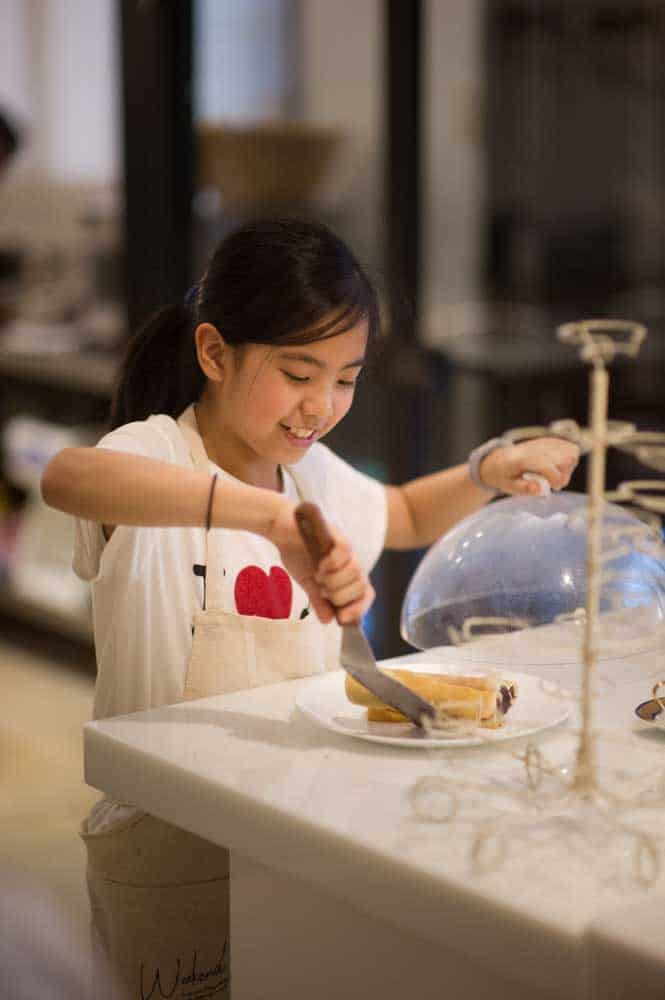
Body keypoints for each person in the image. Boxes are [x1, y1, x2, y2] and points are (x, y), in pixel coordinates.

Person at [41, 217, 579, 998]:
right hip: (169, 841)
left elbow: (401, 513)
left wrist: (486, 470)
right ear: (214, 353)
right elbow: (67, 478)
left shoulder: (312, 473)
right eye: (298, 374)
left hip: (300, 823)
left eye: (345, 379)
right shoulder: (156, 452)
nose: (321, 405)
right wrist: (269, 518)